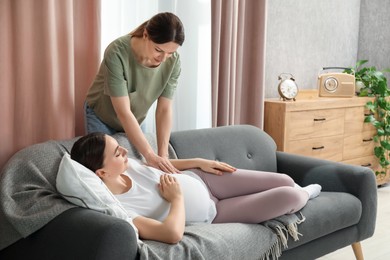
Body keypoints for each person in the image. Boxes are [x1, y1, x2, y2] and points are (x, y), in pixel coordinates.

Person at [70, 132, 322, 244]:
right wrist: (176, 198)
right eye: (117, 152)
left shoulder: (127, 166)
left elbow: (164, 164)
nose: (125, 150)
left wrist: (200, 162)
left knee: (285, 180)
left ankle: (299, 190)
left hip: (205, 179)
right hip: (217, 213)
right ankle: (306, 194)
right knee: (290, 194)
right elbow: (171, 235)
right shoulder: (120, 208)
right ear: (101, 173)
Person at [84, 12, 184, 173]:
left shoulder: (174, 62)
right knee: (106, 171)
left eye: (170, 52)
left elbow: (164, 109)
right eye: (159, 50)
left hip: (135, 117)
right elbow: (123, 111)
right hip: (102, 116)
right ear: (145, 35)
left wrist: (163, 155)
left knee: (140, 167)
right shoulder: (116, 52)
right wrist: (150, 154)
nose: (164, 58)